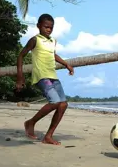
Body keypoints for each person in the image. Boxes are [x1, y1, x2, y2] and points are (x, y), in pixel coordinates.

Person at [15, 13, 74, 145]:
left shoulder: (53, 41)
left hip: (53, 76)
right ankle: (31, 122)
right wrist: (20, 76)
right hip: (42, 76)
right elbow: (20, 56)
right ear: (39, 26)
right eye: (46, 27)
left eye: (51, 28)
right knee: (54, 102)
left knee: (63, 104)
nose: (48, 29)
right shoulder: (35, 40)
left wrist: (66, 64)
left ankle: (48, 136)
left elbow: (53, 55)